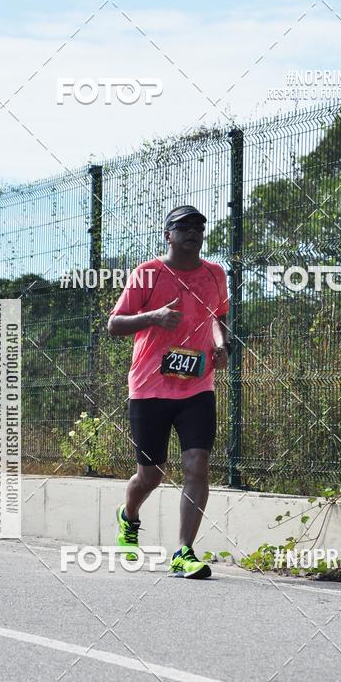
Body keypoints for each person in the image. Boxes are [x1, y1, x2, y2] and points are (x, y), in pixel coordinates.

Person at [107, 205, 230, 579]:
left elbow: (218, 318)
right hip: (149, 387)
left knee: (197, 465)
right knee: (152, 473)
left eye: (198, 226)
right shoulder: (147, 274)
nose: (192, 232)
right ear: (168, 234)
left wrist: (221, 345)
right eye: (183, 226)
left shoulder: (214, 274)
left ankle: (184, 552)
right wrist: (153, 317)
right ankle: (129, 516)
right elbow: (114, 324)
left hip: (197, 385)